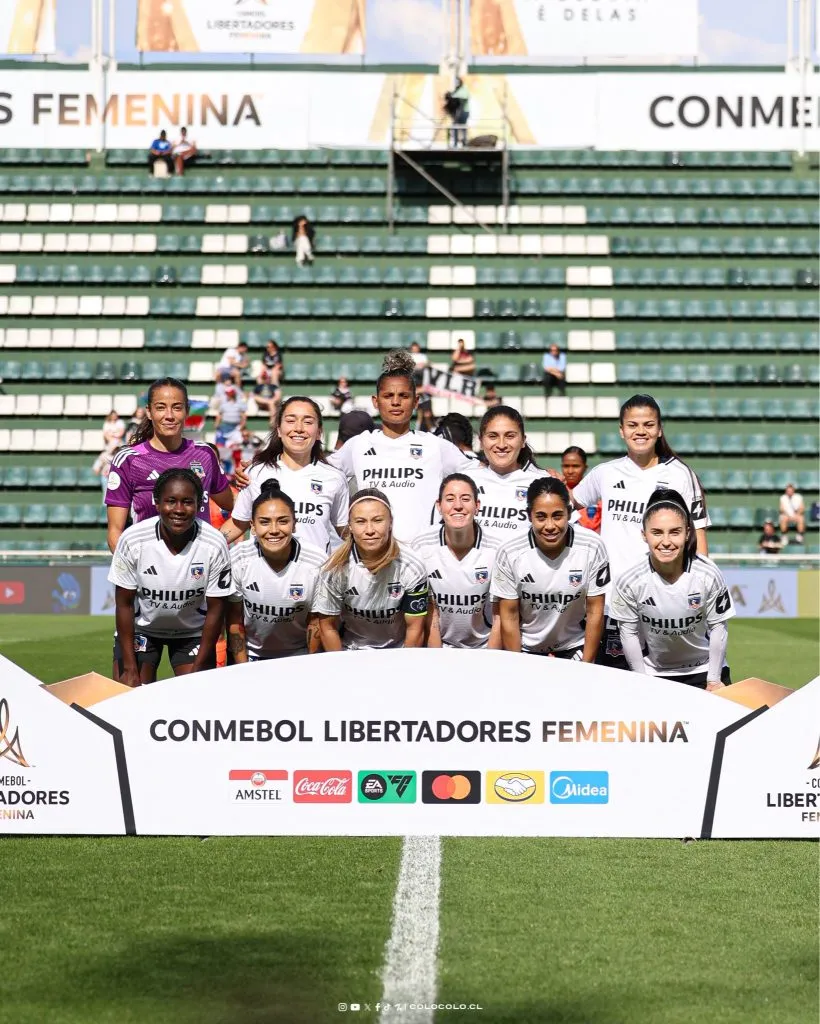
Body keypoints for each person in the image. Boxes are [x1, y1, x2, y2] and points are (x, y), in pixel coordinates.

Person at [571, 394, 709, 667]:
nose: (640, 431)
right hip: (612, 601)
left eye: (648, 424)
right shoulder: (605, 473)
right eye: (633, 425)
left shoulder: (681, 474)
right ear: (622, 430)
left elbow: (699, 539)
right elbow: (567, 504)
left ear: (659, 430)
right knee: (612, 686)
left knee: (664, 684)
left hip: (663, 601)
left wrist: (698, 593)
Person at [327, 350, 474, 542]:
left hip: (424, 559)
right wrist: (344, 528)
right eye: (388, 396)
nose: (396, 402)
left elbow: (480, 475)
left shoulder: (435, 446)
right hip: (373, 557)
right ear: (376, 401)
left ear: (415, 401)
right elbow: (320, 475)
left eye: (403, 396)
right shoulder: (359, 444)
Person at [108, 468, 232, 686]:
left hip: (192, 632)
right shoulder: (133, 539)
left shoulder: (214, 542)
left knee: (197, 695)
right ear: (157, 503)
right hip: (142, 629)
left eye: (187, 502)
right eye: (170, 501)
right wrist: (129, 667)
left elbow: (216, 608)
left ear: (198, 504)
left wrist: (201, 665)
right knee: (129, 694)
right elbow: (124, 604)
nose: (179, 509)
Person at [611, 488, 734, 690]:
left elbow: (719, 627)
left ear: (687, 533)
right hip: (654, 674)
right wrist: (640, 680)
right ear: (644, 535)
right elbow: (629, 633)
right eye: (657, 532)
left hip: (705, 670)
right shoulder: (629, 580)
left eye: (675, 532)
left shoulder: (708, 574)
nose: (666, 542)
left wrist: (713, 680)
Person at [106, 377, 234, 553]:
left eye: (177, 407)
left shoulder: (205, 454)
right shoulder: (128, 460)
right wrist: (136, 572)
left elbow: (235, 506)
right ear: (149, 412)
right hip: (149, 574)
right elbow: (115, 533)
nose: (169, 415)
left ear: (187, 411)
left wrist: (217, 544)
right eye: (160, 407)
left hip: (199, 574)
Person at [491, 477, 609, 660]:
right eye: (541, 517)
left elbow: (595, 612)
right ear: (529, 515)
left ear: (569, 514)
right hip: (526, 647)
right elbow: (509, 616)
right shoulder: (509, 551)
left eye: (557, 515)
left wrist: (587, 666)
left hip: (575, 645)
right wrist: (518, 665)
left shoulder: (592, 545)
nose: (550, 526)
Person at [221, 397, 348, 553]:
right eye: (290, 421)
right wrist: (206, 550)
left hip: (316, 574)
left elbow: (345, 530)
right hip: (264, 574)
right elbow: (238, 524)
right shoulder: (256, 473)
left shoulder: (334, 478)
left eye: (308, 422)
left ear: (319, 432)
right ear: (279, 430)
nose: (299, 428)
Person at [314, 488, 428, 650]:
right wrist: (340, 668)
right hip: (352, 652)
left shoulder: (412, 566)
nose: (369, 530)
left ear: (390, 523)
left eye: (377, 520)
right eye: (360, 521)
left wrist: (405, 668)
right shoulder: (334, 570)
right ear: (350, 527)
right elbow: (328, 627)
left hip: (397, 652)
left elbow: (415, 628)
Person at [225, 480, 326, 662]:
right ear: (253, 527)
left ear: (294, 524)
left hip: (298, 656)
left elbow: (315, 621)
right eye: (264, 522)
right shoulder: (238, 557)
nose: (274, 530)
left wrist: (308, 665)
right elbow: (235, 621)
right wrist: (243, 668)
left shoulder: (316, 562)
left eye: (283, 521)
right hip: (252, 656)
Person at [413, 474, 502, 649]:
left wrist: (492, 660)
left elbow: (500, 616)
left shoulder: (497, 550)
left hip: (483, 649)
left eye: (466, 499)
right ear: (439, 506)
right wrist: (438, 659)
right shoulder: (421, 546)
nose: (458, 506)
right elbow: (431, 615)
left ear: (477, 506)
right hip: (440, 647)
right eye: (450, 499)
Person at [468, 405, 553, 543]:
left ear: (523, 440)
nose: (501, 444)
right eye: (493, 436)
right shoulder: (464, 481)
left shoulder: (544, 483)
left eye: (510, 436)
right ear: (481, 442)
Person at [562, 446, 600, 533]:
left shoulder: (597, 493)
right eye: (566, 466)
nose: (570, 471)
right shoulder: (555, 494)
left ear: (585, 467)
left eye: (576, 466)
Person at [213, 383, 247, 470]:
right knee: (220, 449)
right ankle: (221, 468)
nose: (229, 395)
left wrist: (241, 426)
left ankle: (236, 468)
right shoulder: (223, 404)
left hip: (235, 429)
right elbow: (219, 415)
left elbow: (243, 416)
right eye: (228, 393)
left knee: (236, 449)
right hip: (223, 428)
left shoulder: (239, 404)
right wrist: (217, 424)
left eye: (230, 393)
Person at [445, 77, 470, 147]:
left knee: (462, 127)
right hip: (455, 113)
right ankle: (455, 143)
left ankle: (464, 143)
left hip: (463, 112)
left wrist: (459, 112)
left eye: (457, 82)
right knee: (455, 126)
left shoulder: (464, 90)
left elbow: (463, 101)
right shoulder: (456, 91)